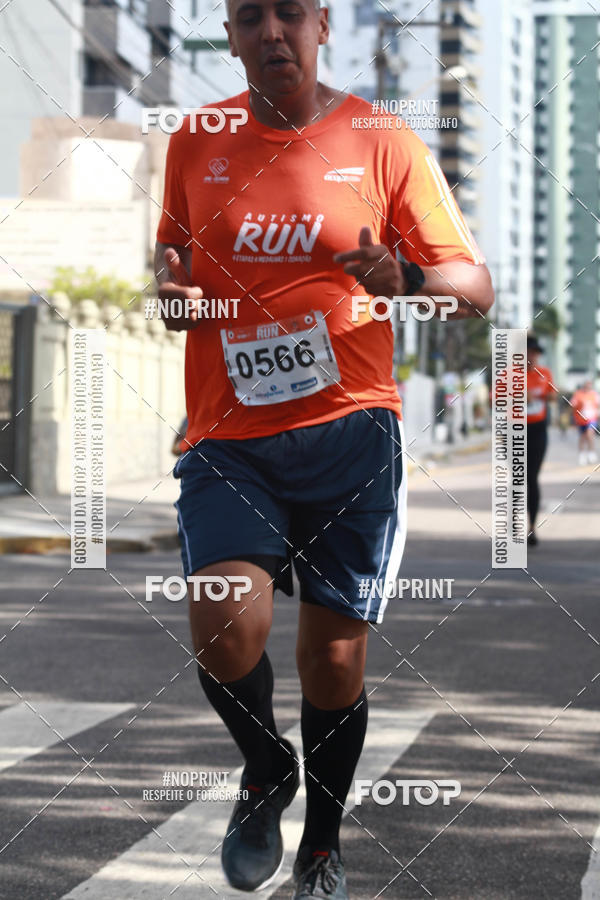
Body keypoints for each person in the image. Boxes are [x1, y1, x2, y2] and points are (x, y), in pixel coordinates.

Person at [154, 1, 494, 896]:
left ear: (323, 27)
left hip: (352, 434)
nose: (273, 29)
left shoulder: (381, 139)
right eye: (250, 15)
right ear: (228, 35)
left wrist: (408, 277)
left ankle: (322, 845)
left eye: (291, 12)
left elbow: (475, 286)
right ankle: (266, 768)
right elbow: (173, 266)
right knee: (224, 622)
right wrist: (173, 293)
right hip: (231, 434)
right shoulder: (195, 141)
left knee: (333, 658)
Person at [526, 334, 556, 546]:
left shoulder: (545, 373)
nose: (532, 357)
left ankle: (532, 527)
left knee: (532, 477)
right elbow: (495, 400)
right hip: (514, 430)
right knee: (519, 478)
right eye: (529, 353)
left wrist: (539, 395)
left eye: (535, 354)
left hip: (538, 430)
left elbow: (554, 396)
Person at [571, 380, 599, 465]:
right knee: (582, 437)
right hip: (581, 419)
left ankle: (591, 453)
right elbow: (573, 405)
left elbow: (598, 405)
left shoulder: (594, 394)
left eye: (589, 385)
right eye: (586, 385)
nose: (588, 387)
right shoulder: (578, 394)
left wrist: (597, 413)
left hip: (591, 419)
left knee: (590, 434)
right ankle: (582, 455)